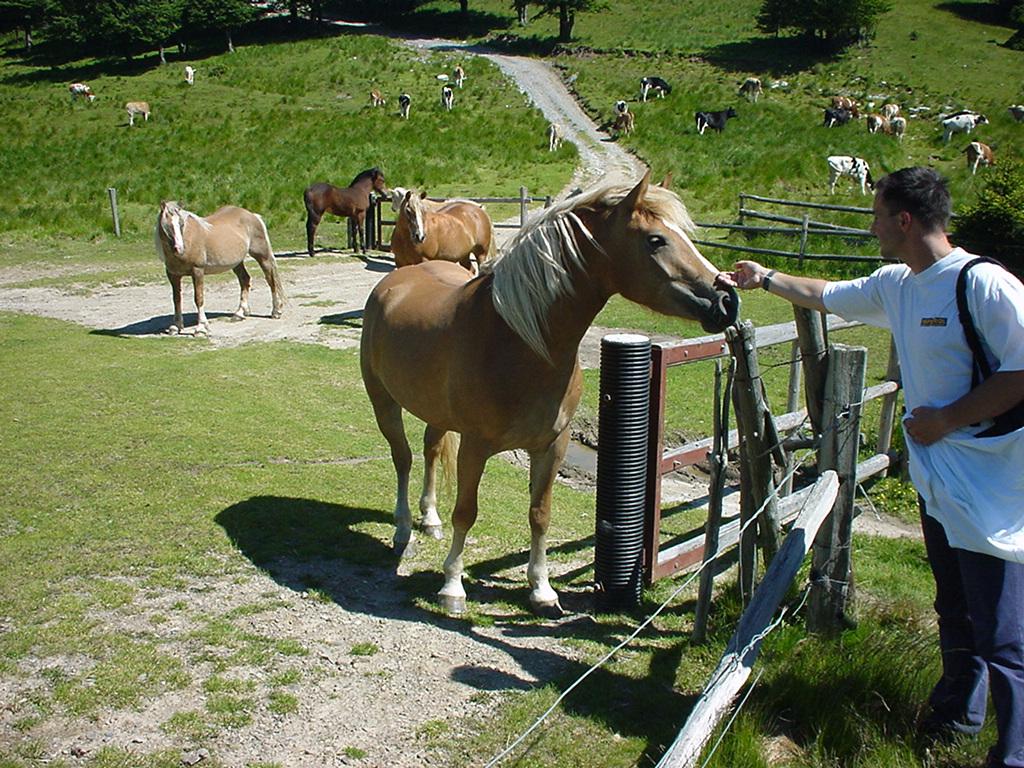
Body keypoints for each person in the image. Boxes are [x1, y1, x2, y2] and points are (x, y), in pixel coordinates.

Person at [720, 166, 1024, 767]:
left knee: (1003, 632)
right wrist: (766, 278)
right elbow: (827, 295)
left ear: (904, 220)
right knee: (954, 607)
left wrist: (947, 420)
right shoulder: (898, 285)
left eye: (878, 215)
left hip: (994, 480)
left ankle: (1013, 754)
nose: (873, 226)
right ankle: (956, 716)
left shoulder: (984, 285)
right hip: (941, 480)